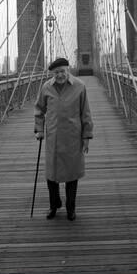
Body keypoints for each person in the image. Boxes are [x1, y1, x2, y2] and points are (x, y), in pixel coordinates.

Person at [34, 57, 94, 221]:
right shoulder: (46, 87)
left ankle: (70, 208)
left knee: (72, 174)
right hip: (53, 138)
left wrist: (86, 137)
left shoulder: (80, 87)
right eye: (56, 72)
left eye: (62, 71)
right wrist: (39, 130)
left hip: (73, 138)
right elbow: (39, 110)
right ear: (52, 74)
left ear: (68, 70)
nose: (59, 75)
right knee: (51, 175)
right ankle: (54, 205)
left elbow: (86, 113)